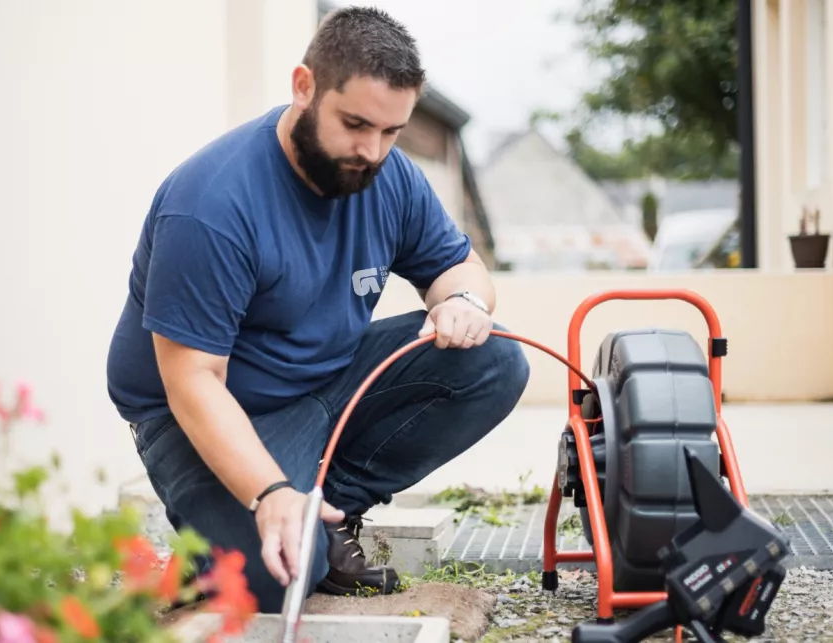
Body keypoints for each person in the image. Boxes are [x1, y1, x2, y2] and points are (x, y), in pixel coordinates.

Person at [105, 5, 530, 614]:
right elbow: (193, 383)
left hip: (328, 379)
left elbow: (460, 270)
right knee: (277, 582)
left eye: (391, 132)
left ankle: (328, 510)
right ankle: (243, 533)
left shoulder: (389, 176)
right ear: (304, 86)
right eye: (356, 124)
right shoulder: (211, 205)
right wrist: (272, 491)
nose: (373, 151)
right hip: (205, 413)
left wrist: (462, 299)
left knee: (493, 359)